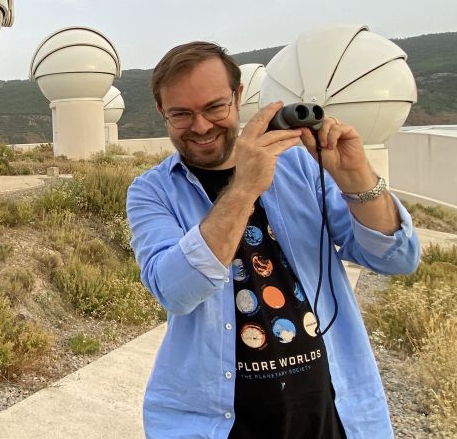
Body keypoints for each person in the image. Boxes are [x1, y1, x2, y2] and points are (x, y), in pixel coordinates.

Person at [126, 41, 420, 439]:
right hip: (217, 422)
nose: (200, 126)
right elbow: (175, 291)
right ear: (162, 112)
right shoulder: (152, 192)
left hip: (330, 410)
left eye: (214, 107)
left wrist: (356, 177)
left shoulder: (297, 163)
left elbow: (397, 259)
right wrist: (244, 188)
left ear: (239, 96)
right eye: (181, 113)